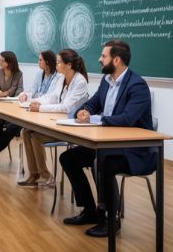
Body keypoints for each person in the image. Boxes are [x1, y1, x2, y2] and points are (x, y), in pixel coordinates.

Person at [60, 40, 155, 237]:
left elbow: (128, 119)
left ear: (117, 60)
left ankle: (111, 219)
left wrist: (95, 118)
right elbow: (92, 103)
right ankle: (90, 211)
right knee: (69, 158)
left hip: (133, 150)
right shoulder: (106, 81)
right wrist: (82, 112)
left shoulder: (137, 85)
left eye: (104, 56)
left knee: (102, 162)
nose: (99, 59)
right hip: (107, 144)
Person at [18, 49, 89, 187]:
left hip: (72, 128)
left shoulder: (80, 81)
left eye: (58, 62)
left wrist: (40, 108)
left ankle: (46, 176)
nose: (56, 64)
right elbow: (52, 97)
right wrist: (33, 102)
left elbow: (66, 107)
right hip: (59, 122)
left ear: (68, 65)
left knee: (36, 137)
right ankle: (34, 175)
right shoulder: (62, 78)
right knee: (26, 132)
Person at [0, 51, 24, 163]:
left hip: (12, 109)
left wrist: (4, 93)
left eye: (1, 60)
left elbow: (18, 91)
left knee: (12, 126)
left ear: (8, 62)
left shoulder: (18, 74)